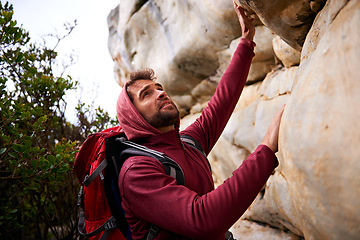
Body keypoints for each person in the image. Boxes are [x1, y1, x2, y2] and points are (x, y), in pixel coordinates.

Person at [115, 1, 285, 239]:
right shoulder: (136, 172)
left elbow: (221, 101)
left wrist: (247, 40)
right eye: (147, 94)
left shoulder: (188, 142)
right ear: (135, 117)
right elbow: (203, 218)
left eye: (159, 87)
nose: (161, 93)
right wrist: (266, 148)